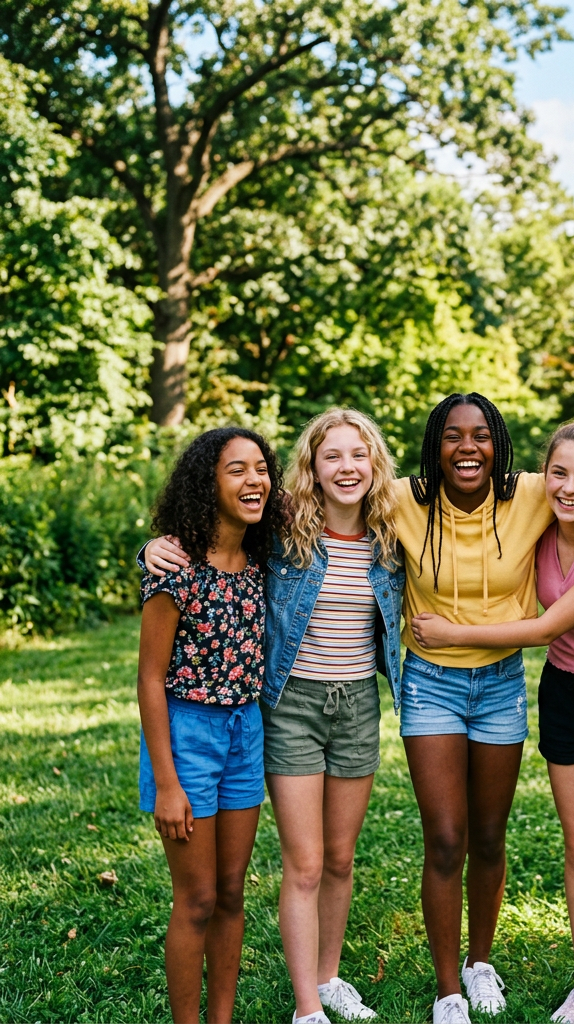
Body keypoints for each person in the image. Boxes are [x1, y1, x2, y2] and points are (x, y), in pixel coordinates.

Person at [143, 409, 406, 1024]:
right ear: (311, 466)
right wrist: (151, 548)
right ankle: (305, 1006)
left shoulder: (393, 529)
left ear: (377, 463)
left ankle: (324, 978)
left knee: (322, 864)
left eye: (359, 454)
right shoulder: (284, 532)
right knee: (283, 869)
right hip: (270, 711)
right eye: (331, 455)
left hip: (338, 709)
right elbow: (212, 519)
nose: (347, 467)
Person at [395, 395, 574, 1024]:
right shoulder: (403, 499)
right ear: (435, 444)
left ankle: (481, 964)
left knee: (489, 834)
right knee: (446, 838)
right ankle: (448, 988)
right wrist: (165, 547)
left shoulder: (527, 492)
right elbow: (318, 503)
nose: (468, 448)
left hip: (501, 684)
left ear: (499, 445)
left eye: (481, 435)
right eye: (453, 436)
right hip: (431, 683)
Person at [137, 427, 286, 1024]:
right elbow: (149, 680)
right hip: (187, 735)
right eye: (236, 470)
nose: (254, 481)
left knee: (230, 895)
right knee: (196, 900)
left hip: (245, 732)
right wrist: (169, 784)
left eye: (261, 469)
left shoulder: (263, 559)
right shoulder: (174, 567)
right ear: (208, 483)